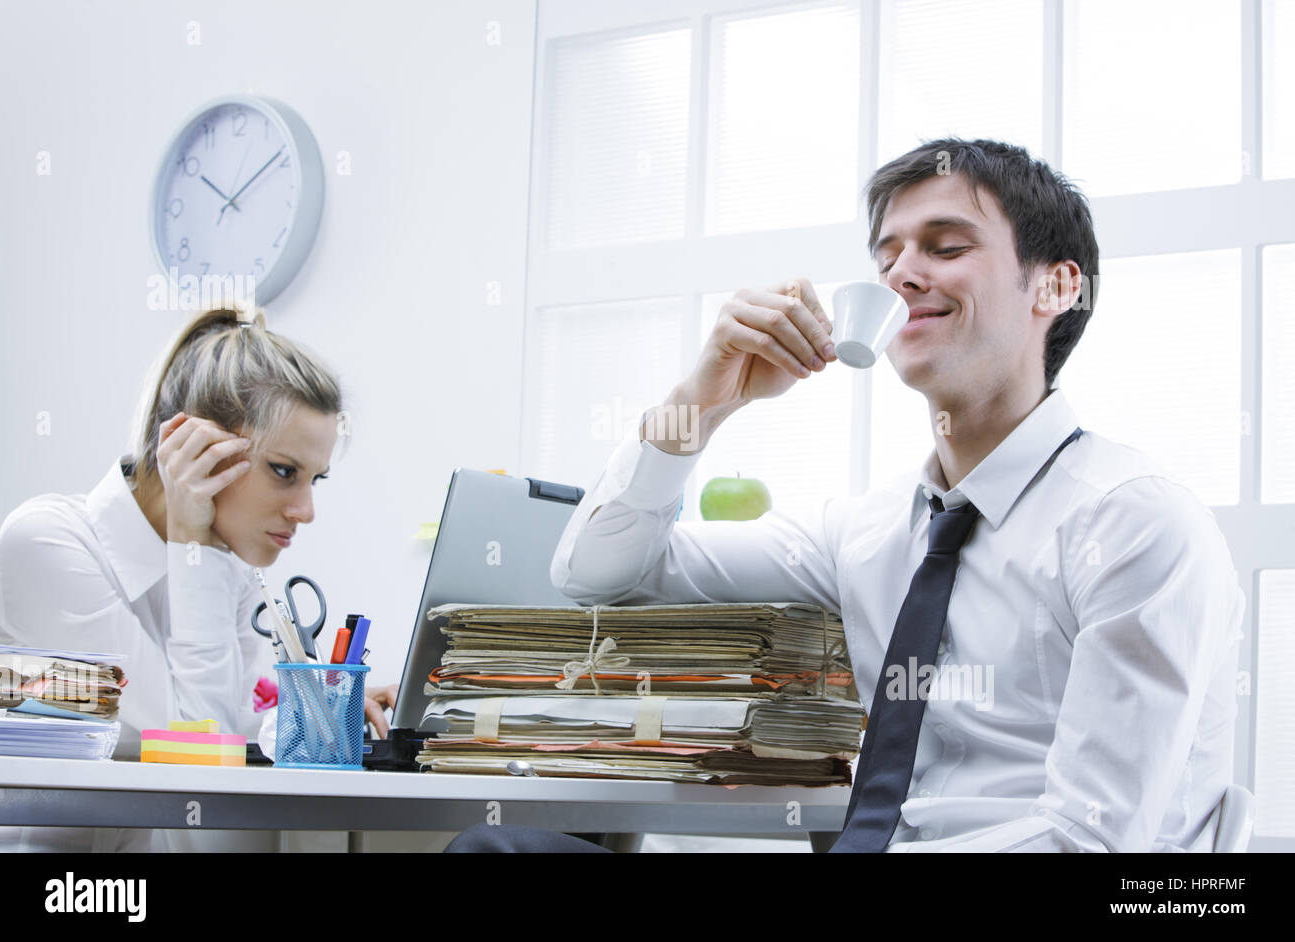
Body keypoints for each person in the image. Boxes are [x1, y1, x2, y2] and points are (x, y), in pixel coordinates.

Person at [445, 138, 1244, 853]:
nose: (901, 273)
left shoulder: (1133, 521)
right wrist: (706, 398)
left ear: (1057, 287)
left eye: (946, 245)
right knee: (503, 855)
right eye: (888, 255)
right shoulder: (868, 532)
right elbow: (598, 572)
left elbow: (1090, 840)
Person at [0, 306, 397, 852]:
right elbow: (201, 761)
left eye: (314, 480)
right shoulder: (45, 544)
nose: (305, 510)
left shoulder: (224, 567)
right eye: (284, 472)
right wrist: (192, 545)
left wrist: (308, 715)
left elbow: (222, 739)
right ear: (196, 447)